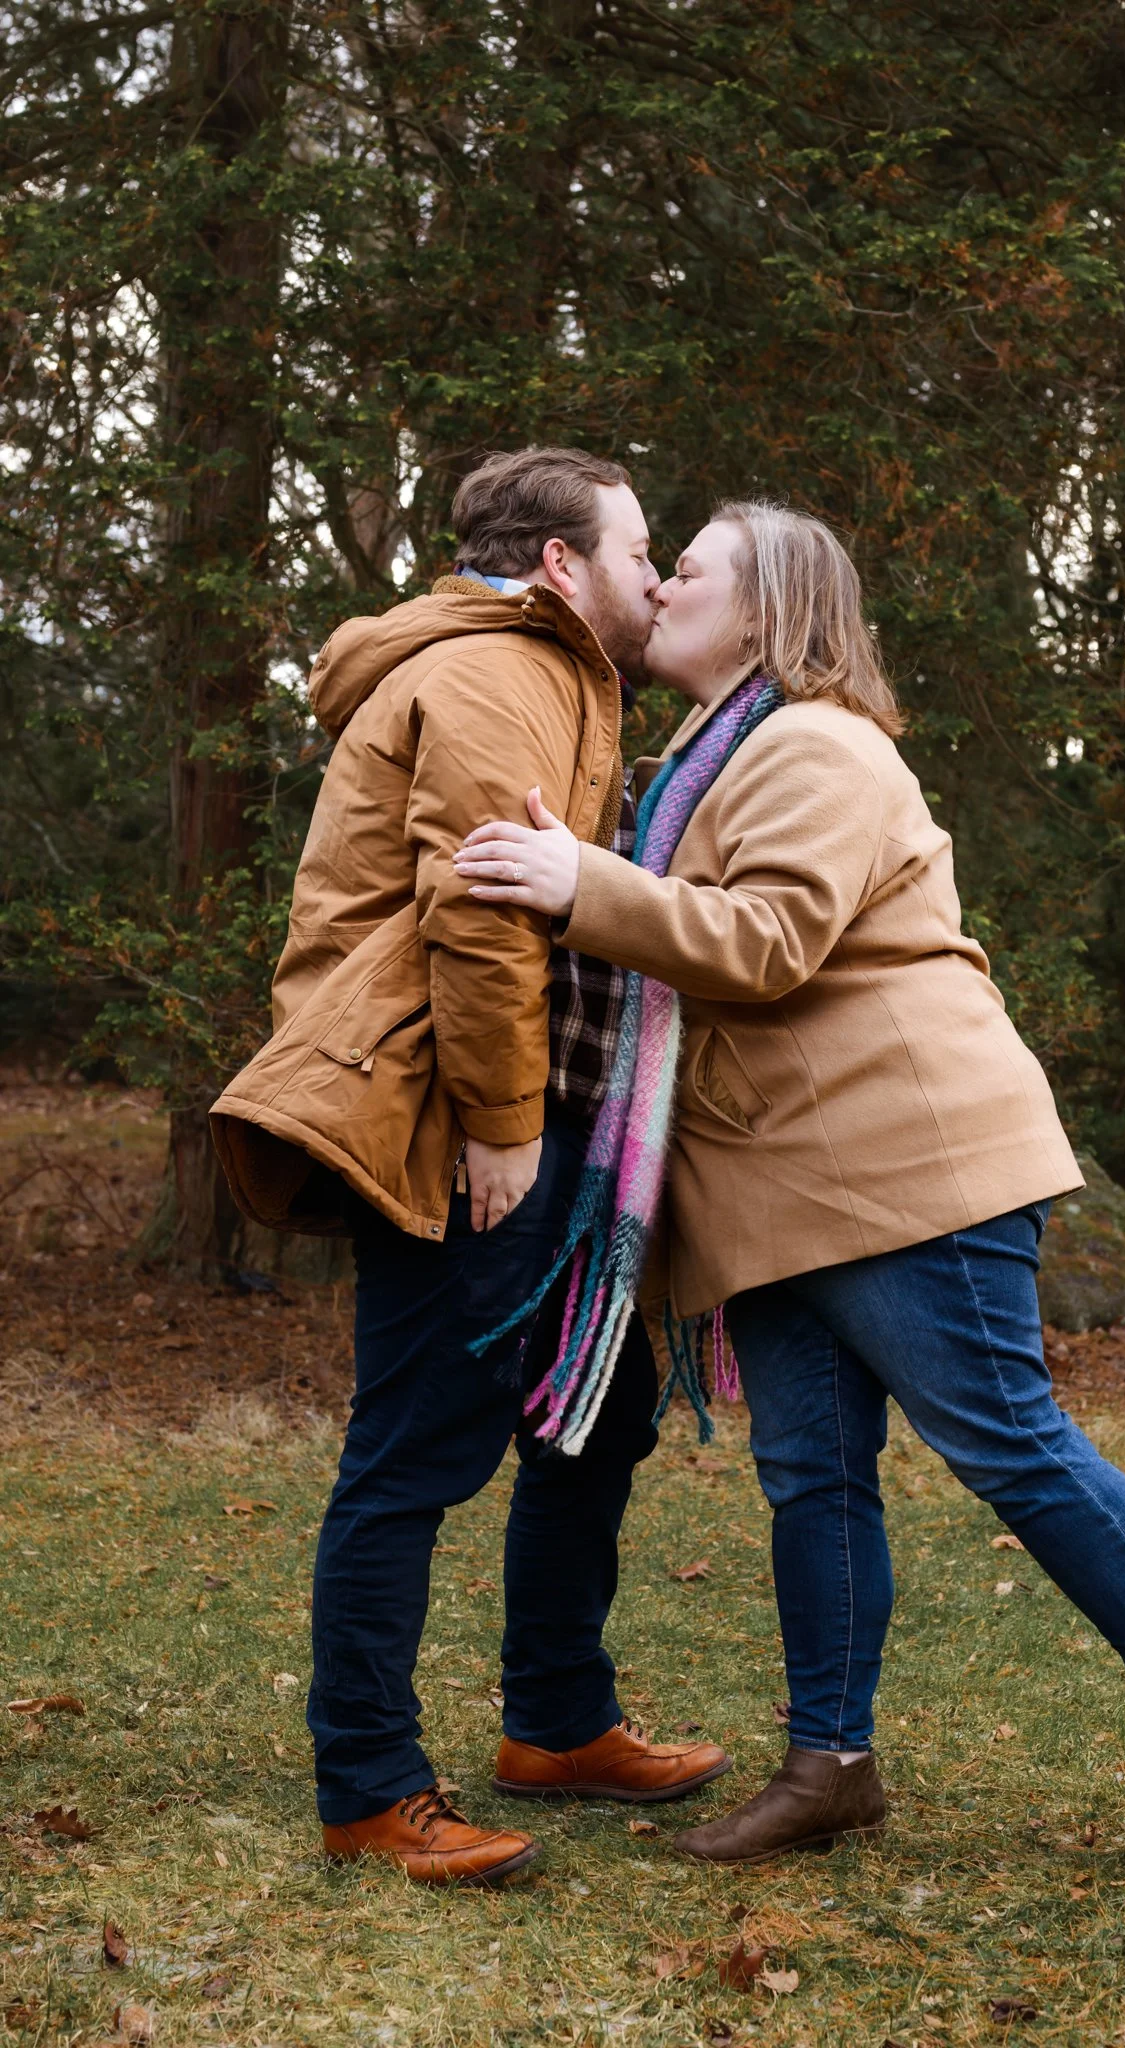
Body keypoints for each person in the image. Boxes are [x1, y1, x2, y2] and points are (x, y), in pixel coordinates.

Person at [454, 500, 1125, 1889]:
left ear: (771, 611)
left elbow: (767, 942)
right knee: (815, 1480)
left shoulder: (819, 746)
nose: (659, 589)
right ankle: (829, 1765)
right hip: (775, 1191)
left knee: (1010, 1447)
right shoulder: (699, 766)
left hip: (908, 1171)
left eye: (693, 572)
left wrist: (575, 884)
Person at [211, 448, 729, 1889]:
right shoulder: (504, 673)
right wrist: (502, 1125)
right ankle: (370, 1789)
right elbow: (480, 906)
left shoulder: (551, 674)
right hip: (452, 1123)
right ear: (560, 564)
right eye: (640, 550)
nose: (656, 575)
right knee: (415, 1452)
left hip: (531, 1125)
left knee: (596, 1412)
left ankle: (557, 1723)